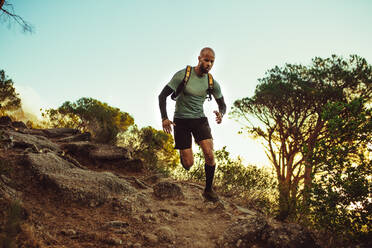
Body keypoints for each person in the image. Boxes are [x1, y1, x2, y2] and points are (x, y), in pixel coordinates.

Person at [158, 47, 226, 202]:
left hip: (199, 120)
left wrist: (221, 113)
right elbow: (162, 96)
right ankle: (185, 154)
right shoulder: (183, 75)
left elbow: (223, 104)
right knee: (188, 163)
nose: (209, 64)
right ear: (199, 58)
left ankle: (208, 190)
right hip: (181, 120)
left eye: (212, 61)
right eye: (206, 60)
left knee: (209, 154)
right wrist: (164, 118)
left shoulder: (212, 82)